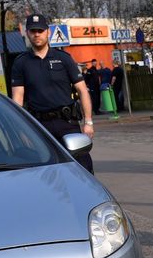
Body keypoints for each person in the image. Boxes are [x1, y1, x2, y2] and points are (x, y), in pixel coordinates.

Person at [10, 13, 95, 173]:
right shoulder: (21, 63)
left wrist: (88, 122)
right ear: (27, 33)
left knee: (82, 169)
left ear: (48, 32)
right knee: (47, 172)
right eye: (33, 31)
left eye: (40, 31)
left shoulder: (63, 59)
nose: (37, 34)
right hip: (39, 126)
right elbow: (18, 99)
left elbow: (82, 90)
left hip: (67, 123)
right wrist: (21, 130)